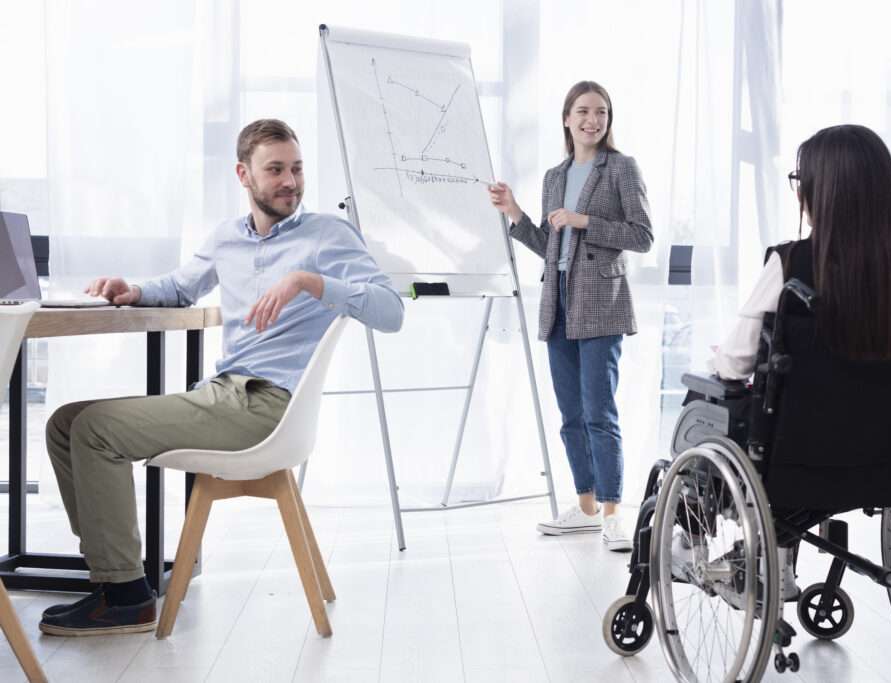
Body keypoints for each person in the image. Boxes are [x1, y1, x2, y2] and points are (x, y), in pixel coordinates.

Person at [38, 118, 404, 636]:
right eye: (275, 170)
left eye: (296, 169)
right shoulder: (227, 238)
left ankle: (125, 596)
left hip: (268, 407)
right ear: (243, 174)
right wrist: (134, 289)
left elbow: (391, 311)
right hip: (221, 397)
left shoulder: (328, 234)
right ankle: (111, 580)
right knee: (64, 423)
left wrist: (310, 281)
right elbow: (182, 287)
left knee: (96, 429)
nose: (290, 182)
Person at [688, 123, 891, 598]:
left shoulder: (791, 266)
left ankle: (691, 533)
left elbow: (735, 364)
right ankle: (779, 556)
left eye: (800, 182)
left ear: (820, 193)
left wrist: (722, 362)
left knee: (708, 394)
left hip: (800, 458)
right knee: (803, 412)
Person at [489, 81, 653, 552]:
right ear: (566, 118)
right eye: (583, 111)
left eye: (601, 112)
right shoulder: (554, 177)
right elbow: (549, 246)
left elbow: (642, 236)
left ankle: (612, 513)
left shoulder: (621, 168)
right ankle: (583, 510)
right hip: (558, 300)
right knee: (570, 415)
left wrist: (584, 222)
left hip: (602, 301)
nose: (592, 120)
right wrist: (515, 212)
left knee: (600, 412)